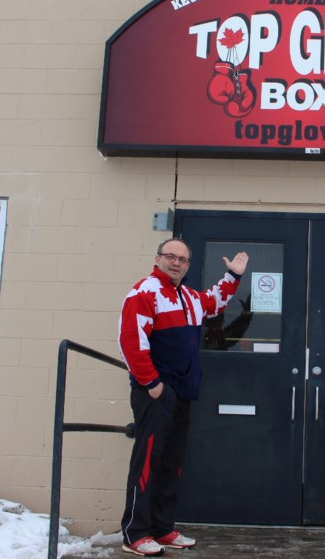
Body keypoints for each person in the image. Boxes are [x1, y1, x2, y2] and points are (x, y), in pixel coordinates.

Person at [117, 238, 249, 556]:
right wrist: (151, 383)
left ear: (188, 265)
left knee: (171, 461)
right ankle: (134, 533)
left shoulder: (188, 296)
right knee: (148, 460)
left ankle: (162, 528)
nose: (176, 262)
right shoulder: (144, 292)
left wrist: (232, 277)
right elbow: (131, 340)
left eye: (183, 259)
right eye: (170, 256)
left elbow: (213, 303)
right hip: (156, 392)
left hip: (182, 393)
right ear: (158, 258)